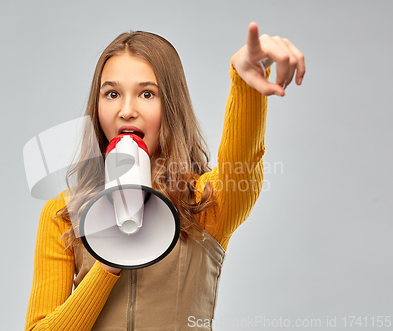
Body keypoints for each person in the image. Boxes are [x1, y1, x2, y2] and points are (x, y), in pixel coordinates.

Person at [25, 22, 305, 331]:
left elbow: (243, 163)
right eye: (112, 93)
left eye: (147, 94)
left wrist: (245, 82)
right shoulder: (64, 214)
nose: (127, 110)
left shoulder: (204, 203)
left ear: (170, 106)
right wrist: (109, 261)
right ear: (98, 105)